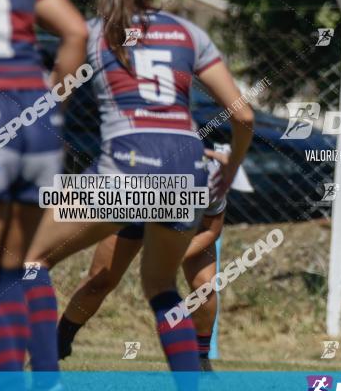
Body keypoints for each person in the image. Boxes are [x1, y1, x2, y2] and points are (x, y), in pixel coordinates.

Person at [24, 0, 253, 391]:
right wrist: (229, 171)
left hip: (126, 163)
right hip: (186, 166)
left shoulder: (92, 33)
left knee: (31, 259)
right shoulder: (190, 33)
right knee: (160, 287)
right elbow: (245, 115)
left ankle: (46, 388)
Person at [0, 0, 87, 391]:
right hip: (36, 122)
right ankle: (36, 390)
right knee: (16, 266)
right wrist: (53, 107)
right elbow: (74, 32)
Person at [56, 149, 249, 371]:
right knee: (99, 282)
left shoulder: (211, 178)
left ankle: (201, 358)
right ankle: (60, 341)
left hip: (189, 228)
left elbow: (210, 231)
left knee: (205, 287)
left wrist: (175, 255)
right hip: (136, 212)